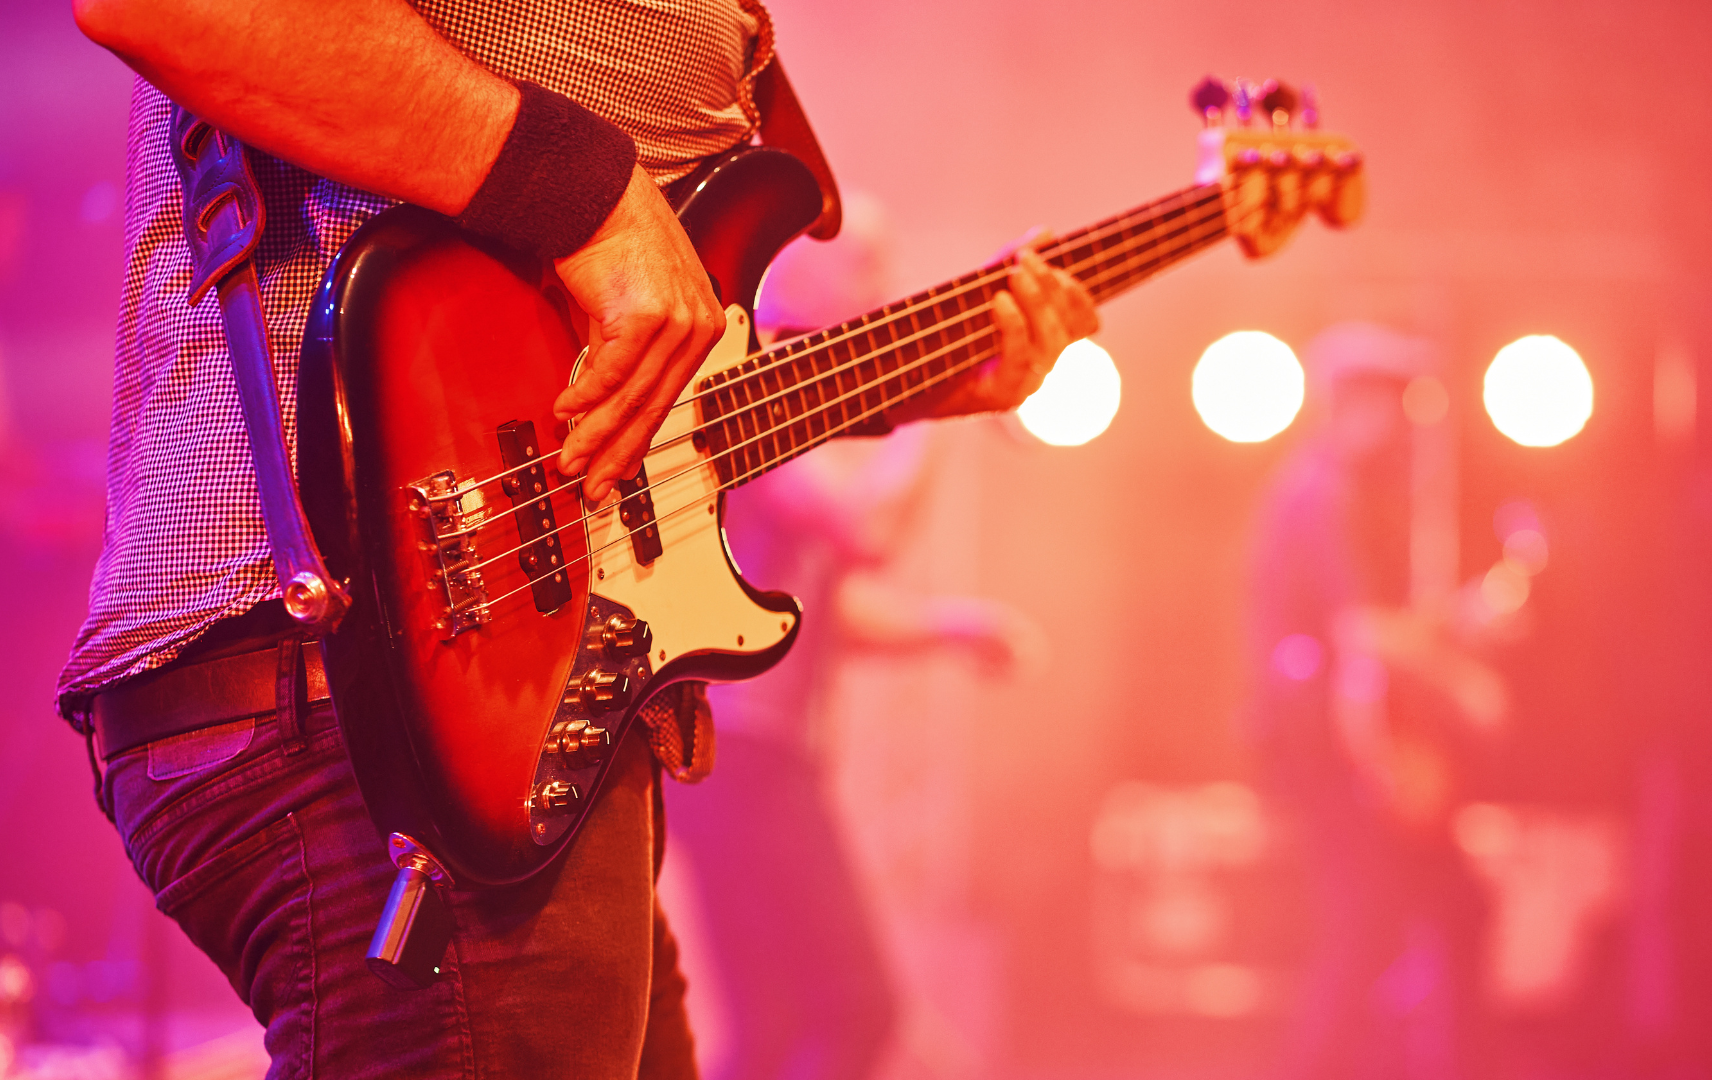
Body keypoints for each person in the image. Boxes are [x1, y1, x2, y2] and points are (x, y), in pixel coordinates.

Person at [53, 2, 1099, 1075]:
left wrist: (909, 381)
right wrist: (593, 200)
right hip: (364, 678)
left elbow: (660, 395)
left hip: (515, 706)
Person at [665, 205, 1045, 1080]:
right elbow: (864, 530)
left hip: (744, 752)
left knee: (769, 1027)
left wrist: (950, 627)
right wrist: (940, 401)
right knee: (853, 1010)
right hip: (738, 754)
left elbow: (809, 611)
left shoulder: (801, 399)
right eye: (862, 261)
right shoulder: (749, 382)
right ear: (792, 269)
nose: (879, 283)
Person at [1247, 322, 1504, 1080]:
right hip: (1334, 753)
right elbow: (1358, 638)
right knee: (1365, 938)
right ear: (1352, 403)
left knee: (1395, 929)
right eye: (1392, 405)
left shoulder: (1335, 495)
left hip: (1346, 750)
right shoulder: (1323, 497)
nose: (1403, 428)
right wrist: (1460, 675)